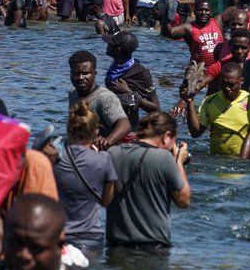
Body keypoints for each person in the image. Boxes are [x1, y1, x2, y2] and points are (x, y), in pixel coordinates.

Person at [106, 111, 190, 249]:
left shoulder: (113, 153)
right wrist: (179, 162)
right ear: (167, 136)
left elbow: (105, 199)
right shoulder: (164, 158)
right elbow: (184, 201)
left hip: (116, 244)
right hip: (152, 245)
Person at [53, 101, 118, 251]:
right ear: (96, 132)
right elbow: (106, 201)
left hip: (60, 236)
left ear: (68, 129)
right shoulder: (104, 159)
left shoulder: (55, 158)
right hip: (91, 237)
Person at [187, 62, 250, 156]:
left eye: (231, 85)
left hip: (244, 161)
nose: (227, 88)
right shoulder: (210, 101)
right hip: (217, 159)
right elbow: (195, 133)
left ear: (241, 81)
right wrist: (189, 101)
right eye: (224, 84)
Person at [67, 50, 131, 150]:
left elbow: (125, 125)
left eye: (85, 73)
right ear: (71, 74)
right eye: (76, 73)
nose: (80, 77)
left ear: (94, 73)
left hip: (100, 152)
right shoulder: (73, 94)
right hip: (77, 149)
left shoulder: (105, 98)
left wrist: (108, 140)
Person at [103, 30, 159, 128]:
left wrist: (129, 93)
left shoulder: (141, 72)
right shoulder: (114, 68)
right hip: (109, 124)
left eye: (110, 44)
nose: (107, 45)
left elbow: (156, 108)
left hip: (128, 128)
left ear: (118, 50)